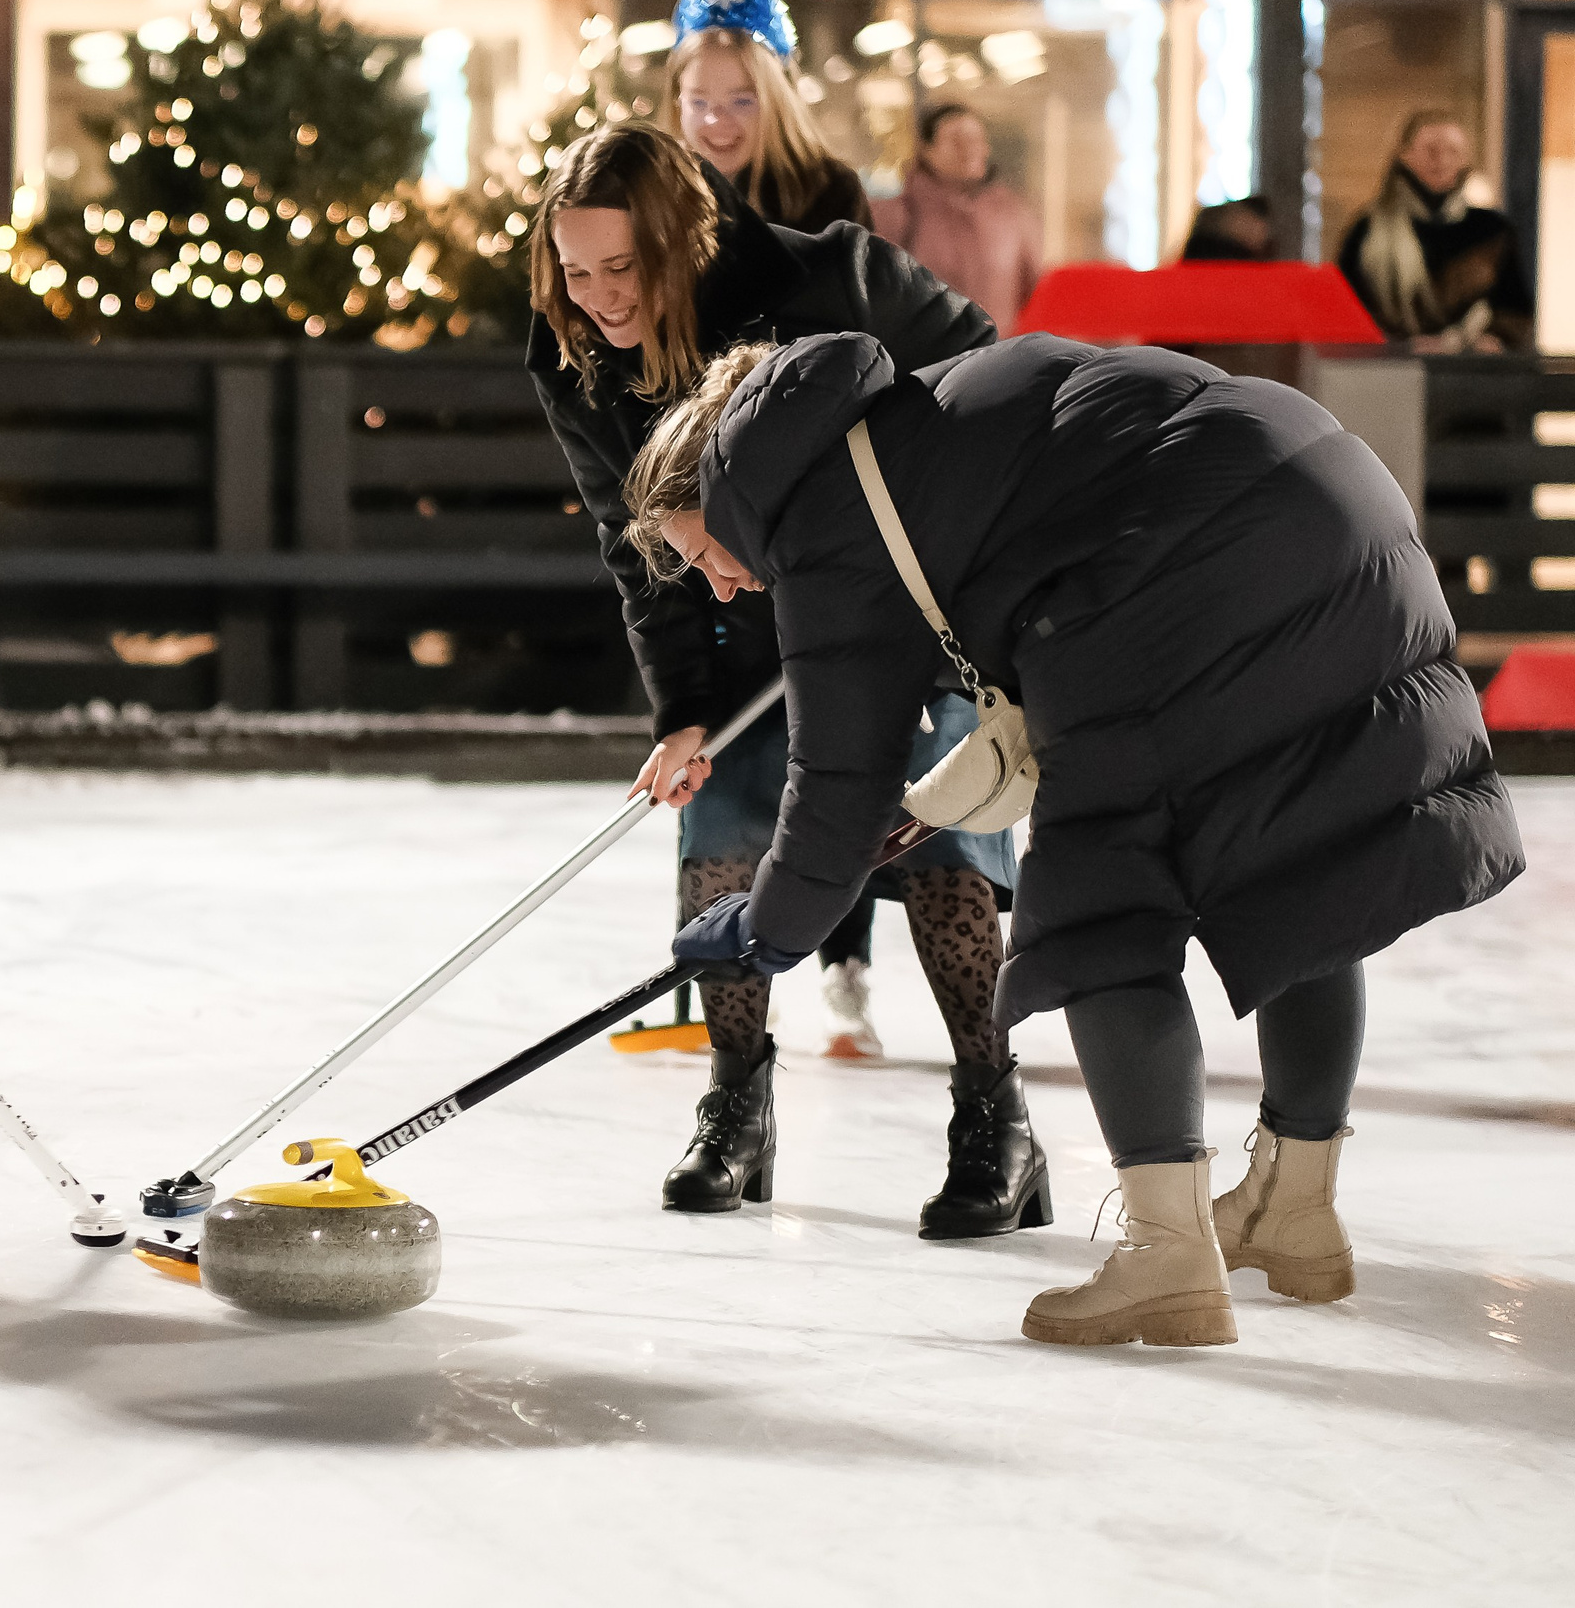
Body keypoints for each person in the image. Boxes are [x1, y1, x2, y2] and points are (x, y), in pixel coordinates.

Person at [625, 330, 1524, 1346]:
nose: (721, 588)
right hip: (1332, 498)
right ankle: (1296, 1205)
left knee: (1102, 898)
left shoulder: (816, 516)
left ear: (730, 493)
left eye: (703, 555)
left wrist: (766, 931)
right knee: (1294, 861)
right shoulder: (892, 420)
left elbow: (836, 785)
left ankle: (1166, 1254)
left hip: (1186, 562)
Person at [525, 121, 1041, 1240]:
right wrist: (683, 711)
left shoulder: (830, 278)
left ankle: (994, 1113)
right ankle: (735, 1107)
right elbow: (640, 546)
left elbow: (985, 381)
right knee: (725, 827)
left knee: (937, 841)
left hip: (917, 603)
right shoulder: (573, 355)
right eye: (574, 271)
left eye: (623, 268)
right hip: (745, 626)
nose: (600, 297)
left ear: (680, 245)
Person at [666, 0, 873, 236]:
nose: (716, 120)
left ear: (777, 104)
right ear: (677, 102)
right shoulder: (654, 193)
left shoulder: (829, 194)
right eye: (698, 102)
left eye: (741, 101)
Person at [1337, 109, 1534, 352]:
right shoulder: (1367, 228)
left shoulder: (1493, 230)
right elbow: (1344, 309)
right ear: (1405, 155)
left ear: (1465, 159)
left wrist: (1491, 340)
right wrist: (1397, 345)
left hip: (1470, 370)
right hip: (1390, 368)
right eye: (1431, 150)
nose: (1442, 160)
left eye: (1453, 151)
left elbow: (1516, 312)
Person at [877, 104, 1042, 334]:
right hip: (924, 357)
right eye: (956, 141)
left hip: (996, 351)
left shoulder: (1012, 214)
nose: (970, 150)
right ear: (927, 150)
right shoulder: (900, 214)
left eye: (977, 140)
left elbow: (1030, 283)